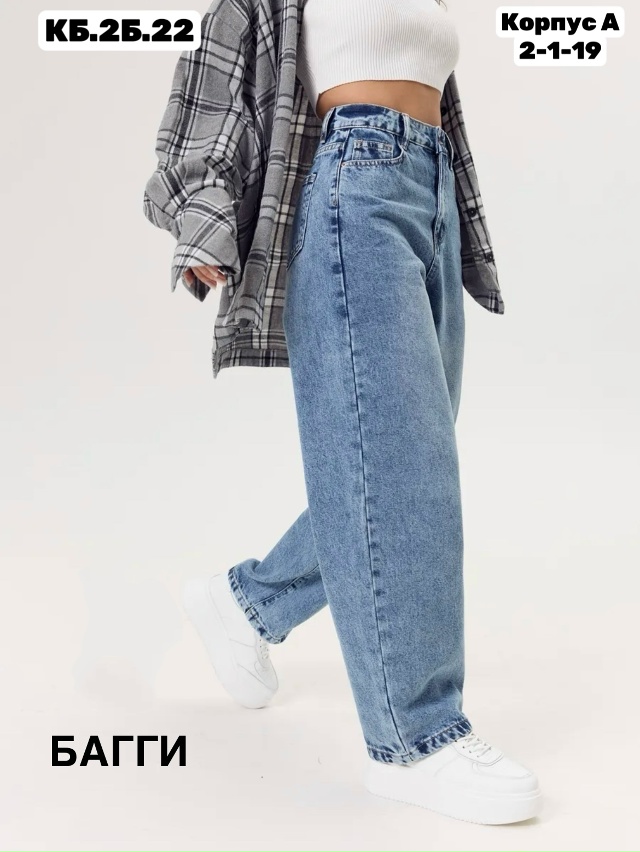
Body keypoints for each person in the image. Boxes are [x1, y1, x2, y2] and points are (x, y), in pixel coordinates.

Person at [144, 0, 542, 826]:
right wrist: (205, 222)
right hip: (356, 189)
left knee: (400, 454)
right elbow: (209, 81)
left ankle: (248, 605)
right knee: (400, 466)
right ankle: (415, 737)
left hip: (429, 189)